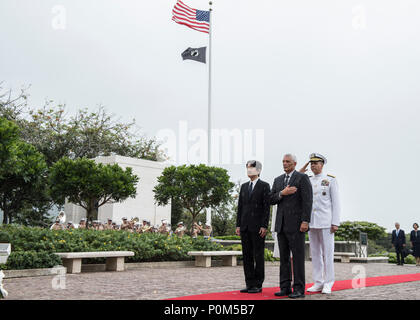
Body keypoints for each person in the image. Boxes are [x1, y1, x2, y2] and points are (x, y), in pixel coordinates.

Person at [269, 154, 312, 299]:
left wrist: (305, 221)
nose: (285, 164)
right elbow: (271, 199)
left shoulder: (302, 178)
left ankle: (299, 289)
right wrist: (282, 193)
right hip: (281, 225)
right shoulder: (278, 180)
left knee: (298, 258)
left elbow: (308, 201)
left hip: (297, 225)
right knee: (284, 259)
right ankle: (285, 287)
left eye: (287, 161)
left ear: (294, 163)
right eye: (283, 161)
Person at [299, 153, 340, 294]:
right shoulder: (307, 180)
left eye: (316, 163)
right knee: (315, 254)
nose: (313, 166)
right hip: (312, 221)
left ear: (322, 164)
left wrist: (335, 222)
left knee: (328, 254)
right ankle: (318, 282)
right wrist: (300, 172)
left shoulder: (330, 180)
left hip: (326, 222)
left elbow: (336, 202)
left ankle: (328, 283)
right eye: (311, 163)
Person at [236, 160, 270, 294]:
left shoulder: (264, 186)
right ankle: (249, 283)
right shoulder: (244, 186)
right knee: (247, 256)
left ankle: (258, 284)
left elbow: (267, 208)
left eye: (252, 168)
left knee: (258, 255)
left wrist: (264, 225)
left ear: (259, 170)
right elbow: (240, 207)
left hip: (258, 227)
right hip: (244, 226)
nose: (249, 170)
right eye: (247, 168)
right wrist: (238, 224)